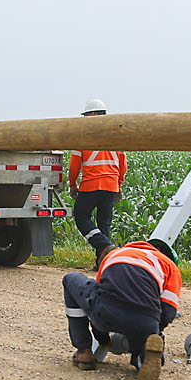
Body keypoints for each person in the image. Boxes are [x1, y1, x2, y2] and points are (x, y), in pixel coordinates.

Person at [63, 237, 182, 380]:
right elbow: (168, 311)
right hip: (145, 320)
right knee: (147, 335)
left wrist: (102, 338)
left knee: (70, 279)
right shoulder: (169, 266)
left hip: (105, 313)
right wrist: (153, 331)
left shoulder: (116, 254)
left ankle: (84, 352)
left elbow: (98, 294)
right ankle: (143, 356)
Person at [69, 99, 126, 265]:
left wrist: (72, 184)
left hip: (91, 185)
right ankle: (103, 262)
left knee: (81, 217)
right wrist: (118, 183)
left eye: (86, 115)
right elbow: (123, 165)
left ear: (93, 114)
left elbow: (74, 166)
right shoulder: (116, 138)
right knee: (104, 224)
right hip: (111, 186)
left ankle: (106, 247)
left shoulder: (83, 137)